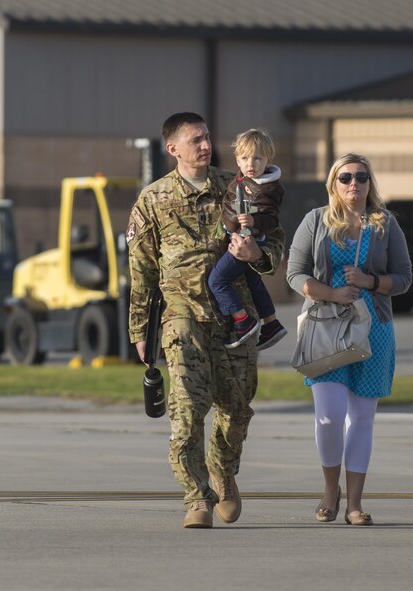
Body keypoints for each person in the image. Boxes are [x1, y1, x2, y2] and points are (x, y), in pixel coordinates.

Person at [127, 112, 285, 529]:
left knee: (236, 409)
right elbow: (140, 271)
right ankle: (196, 496)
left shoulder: (237, 185)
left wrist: (260, 256)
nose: (204, 145)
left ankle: (223, 473)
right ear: (173, 148)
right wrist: (140, 330)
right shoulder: (153, 199)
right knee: (187, 410)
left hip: (236, 317)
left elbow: (274, 235)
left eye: (207, 137)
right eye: (194, 139)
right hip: (182, 315)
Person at [286, 153, 411, 526]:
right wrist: (330, 293)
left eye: (360, 177)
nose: (353, 184)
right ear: (333, 183)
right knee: (328, 416)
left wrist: (370, 282)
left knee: (361, 419)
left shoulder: (385, 224)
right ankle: (330, 490)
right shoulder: (315, 221)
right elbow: (295, 273)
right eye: (345, 178)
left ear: (370, 183)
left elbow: (403, 278)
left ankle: (355, 502)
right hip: (325, 327)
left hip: (374, 329)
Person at [208, 128, 287, 350]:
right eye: (245, 158)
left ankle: (242, 320)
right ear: (237, 160)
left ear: (268, 160)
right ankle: (271, 323)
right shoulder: (244, 180)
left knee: (217, 281)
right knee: (253, 281)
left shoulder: (265, 187)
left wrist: (254, 222)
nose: (251, 163)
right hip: (241, 236)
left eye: (257, 158)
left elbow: (271, 218)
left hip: (245, 243)